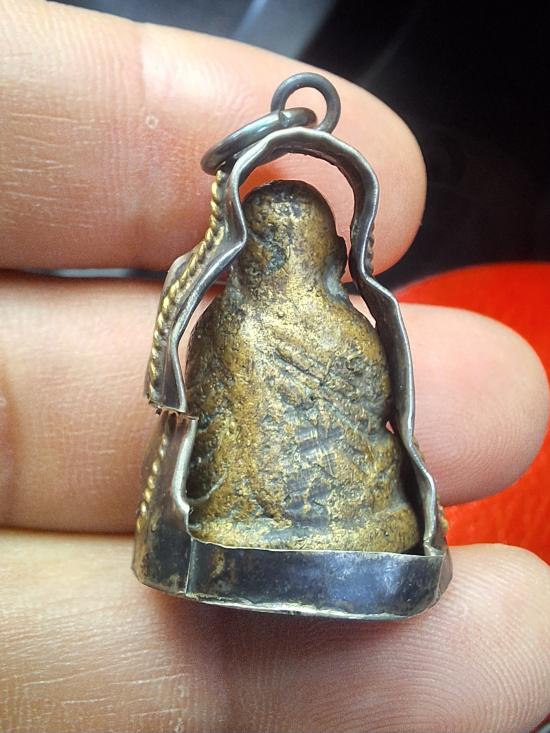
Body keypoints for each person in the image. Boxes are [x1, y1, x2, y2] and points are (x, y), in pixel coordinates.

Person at [0, 1, 548, 731]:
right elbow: (376, 403)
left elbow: (214, 401)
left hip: (238, 516)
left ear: (247, 251)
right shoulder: (350, 325)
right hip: (352, 520)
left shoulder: (226, 322)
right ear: (331, 252)